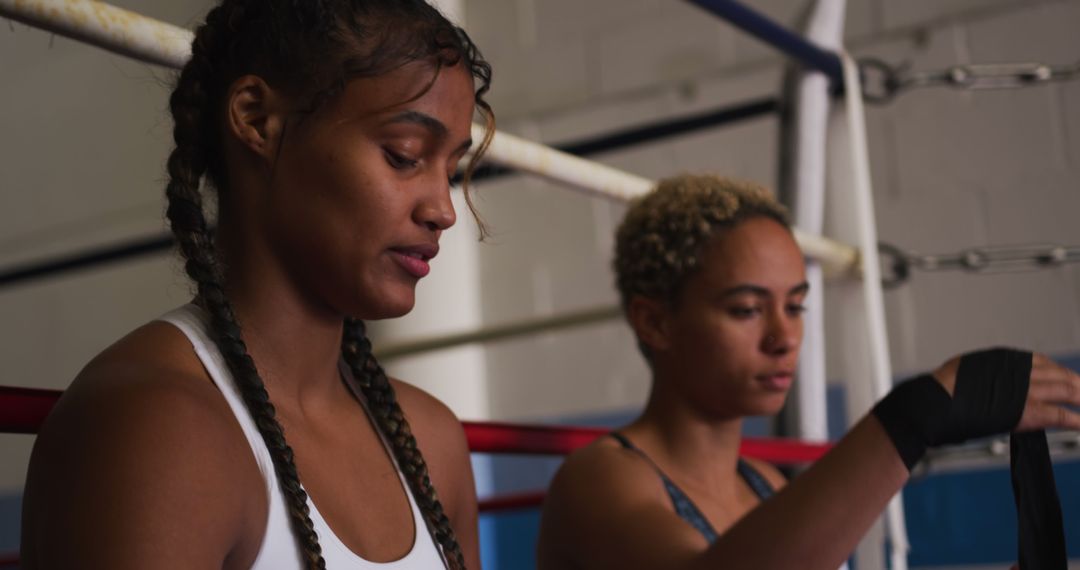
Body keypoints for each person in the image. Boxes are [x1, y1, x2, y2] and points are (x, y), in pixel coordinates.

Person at [20, 1, 493, 568]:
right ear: (256, 119)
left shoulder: (432, 441)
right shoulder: (159, 427)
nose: (444, 210)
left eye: (452, 169)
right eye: (404, 156)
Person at [536, 174, 1080, 569]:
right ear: (655, 321)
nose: (784, 337)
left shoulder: (767, 487)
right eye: (748, 309)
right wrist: (914, 417)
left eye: (795, 306)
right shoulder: (601, 482)